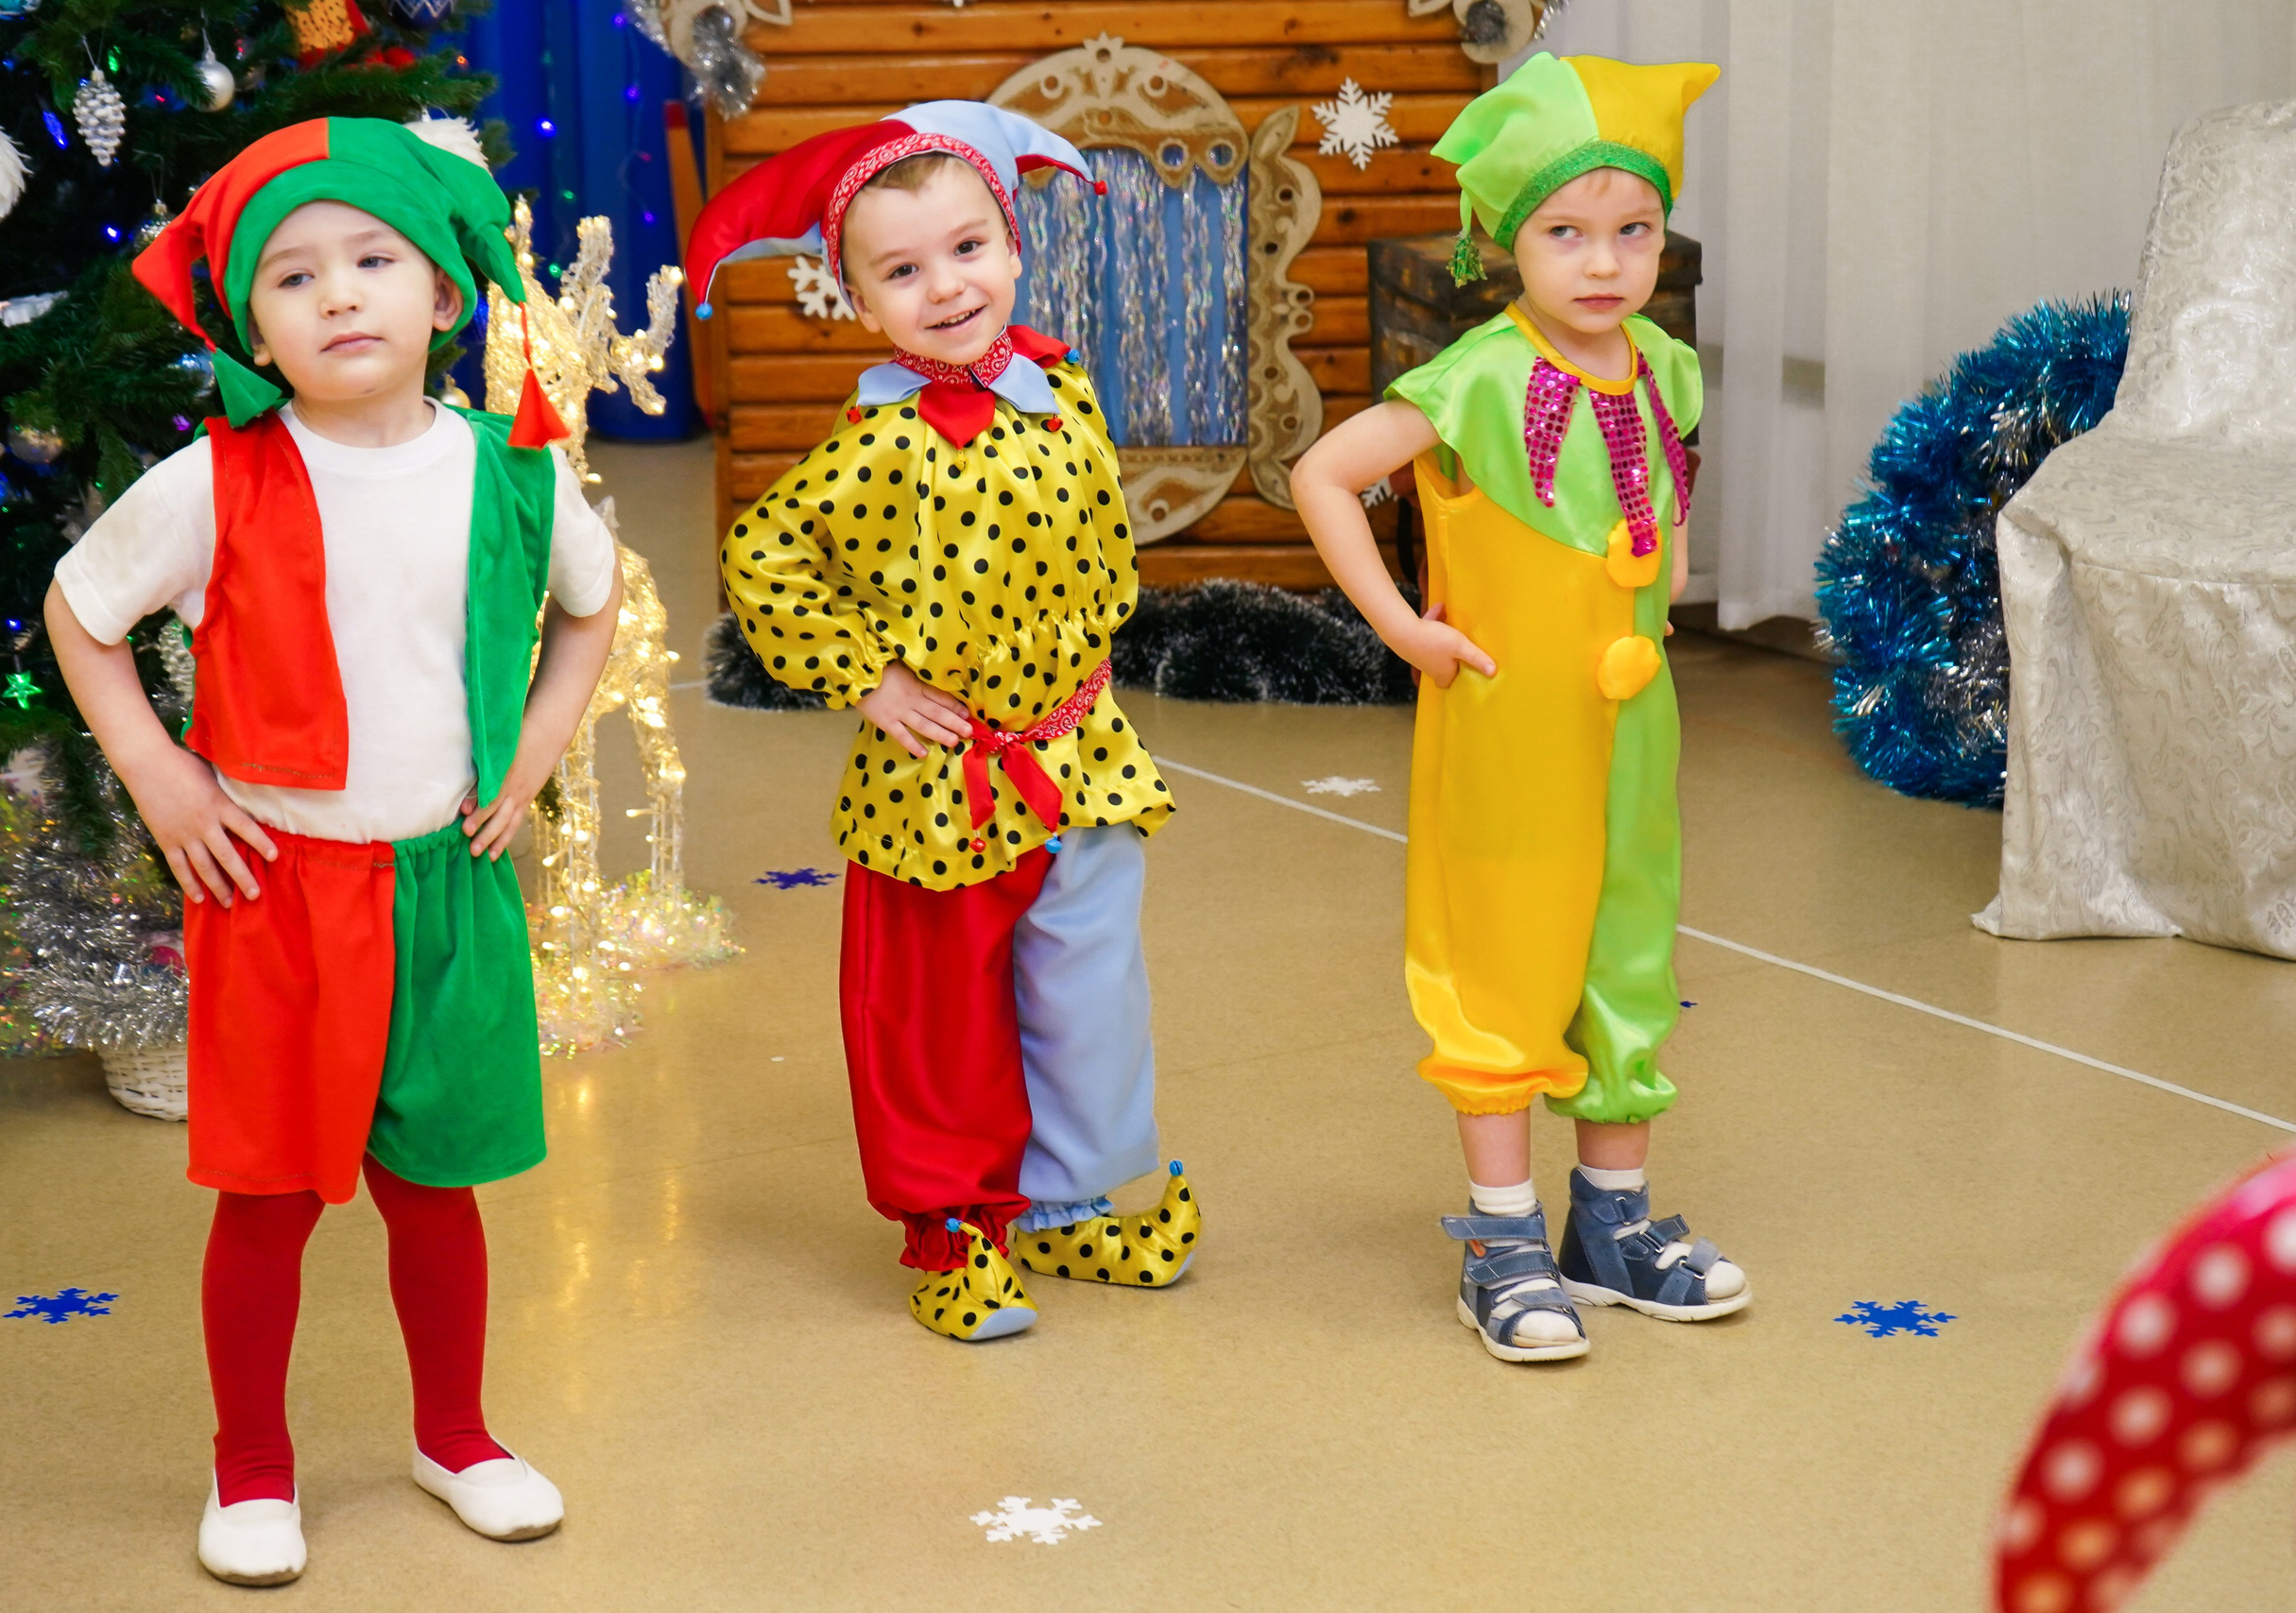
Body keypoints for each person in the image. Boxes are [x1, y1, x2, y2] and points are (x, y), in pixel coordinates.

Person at [43, 117, 619, 1582]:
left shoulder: (519, 476)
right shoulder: (209, 483)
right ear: (254, 322)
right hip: (280, 894)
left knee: (442, 1183)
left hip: (447, 884)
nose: (340, 293)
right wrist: (159, 775)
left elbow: (588, 610)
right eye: (294, 276)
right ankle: (251, 1466)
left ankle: (457, 1434)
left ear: (445, 293)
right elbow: (80, 611)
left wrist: (540, 747)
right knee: (271, 1197)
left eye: (374, 260)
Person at [686, 101, 1199, 1343]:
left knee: (1090, 993)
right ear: (859, 302)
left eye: (967, 250)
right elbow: (763, 551)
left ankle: (1067, 1203)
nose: (945, 286)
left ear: (1013, 249)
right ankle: (956, 1232)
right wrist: (868, 680)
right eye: (902, 271)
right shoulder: (885, 440)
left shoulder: (1061, 382)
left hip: (1075, 751)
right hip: (947, 779)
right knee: (939, 1016)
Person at [1290, 55, 1746, 1364]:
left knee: (1626, 954)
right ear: (1508, 244)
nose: (1602, 264)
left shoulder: (1664, 365)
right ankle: (1500, 1237)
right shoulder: (1477, 376)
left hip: (1631, 736)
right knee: (1502, 961)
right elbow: (1326, 474)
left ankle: (1609, 1226)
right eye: (1566, 233)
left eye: (1632, 231)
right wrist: (1399, 622)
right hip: (1506, 732)